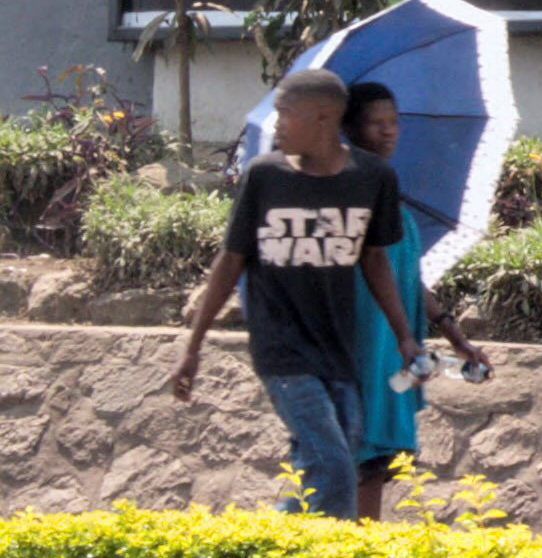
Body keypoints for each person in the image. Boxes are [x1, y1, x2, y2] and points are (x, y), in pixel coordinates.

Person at [168, 68, 424, 518]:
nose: (277, 125)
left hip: (339, 351)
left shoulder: (372, 178)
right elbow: (230, 262)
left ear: (323, 119)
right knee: (333, 465)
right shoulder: (264, 177)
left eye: (286, 114)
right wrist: (192, 346)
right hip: (282, 350)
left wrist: (405, 335)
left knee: (329, 465)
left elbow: (376, 260)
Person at [341, 80, 491, 517]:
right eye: (376, 123)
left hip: (395, 352)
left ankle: (356, 552)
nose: (389, 132)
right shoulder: (346, 197)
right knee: (355, 459)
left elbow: (408, 278)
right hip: (365, 347)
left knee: (375, 464)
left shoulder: (394, 203)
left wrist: (453, 334)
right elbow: (370, 271)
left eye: (394, 122)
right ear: (350, 128)